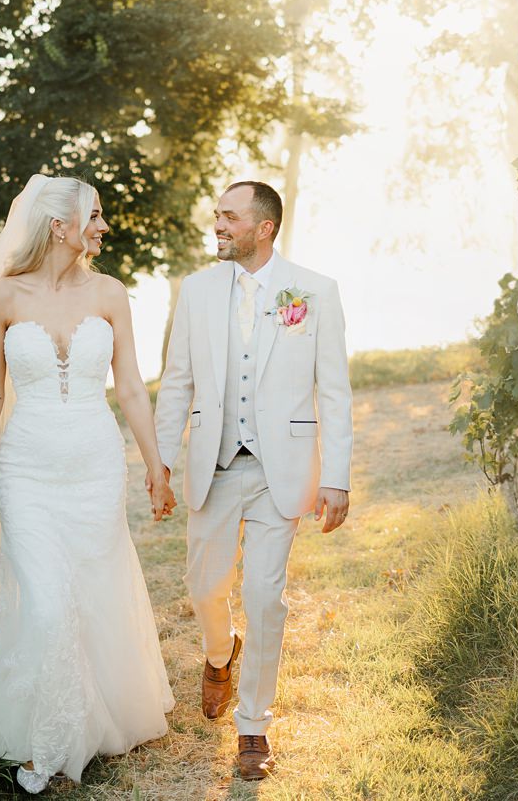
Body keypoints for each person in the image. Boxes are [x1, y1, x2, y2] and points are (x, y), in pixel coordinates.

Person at [0, 174, 177, 794]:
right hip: (27, 469)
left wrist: (155, 463)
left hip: (96, 463)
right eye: (94, 215)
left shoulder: (111, 292)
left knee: (93, 586)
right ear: (59, 225)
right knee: (45, 604)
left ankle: (101, 715)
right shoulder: (3, 298)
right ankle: (49, 743)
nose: (102, 226)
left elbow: (128, 386)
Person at [153, 180, 353, 781]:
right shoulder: (197, 290)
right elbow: (179, 380)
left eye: (229, 217)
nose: (218, 224)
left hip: (280, 470)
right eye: (217, 214)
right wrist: (162, 462)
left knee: (267, 597)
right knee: (205, 587)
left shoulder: (314, 292)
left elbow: (335, 391)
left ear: (263, 228)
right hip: (212, 468)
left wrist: (337, 477)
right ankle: (220, 652)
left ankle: (253, 728)